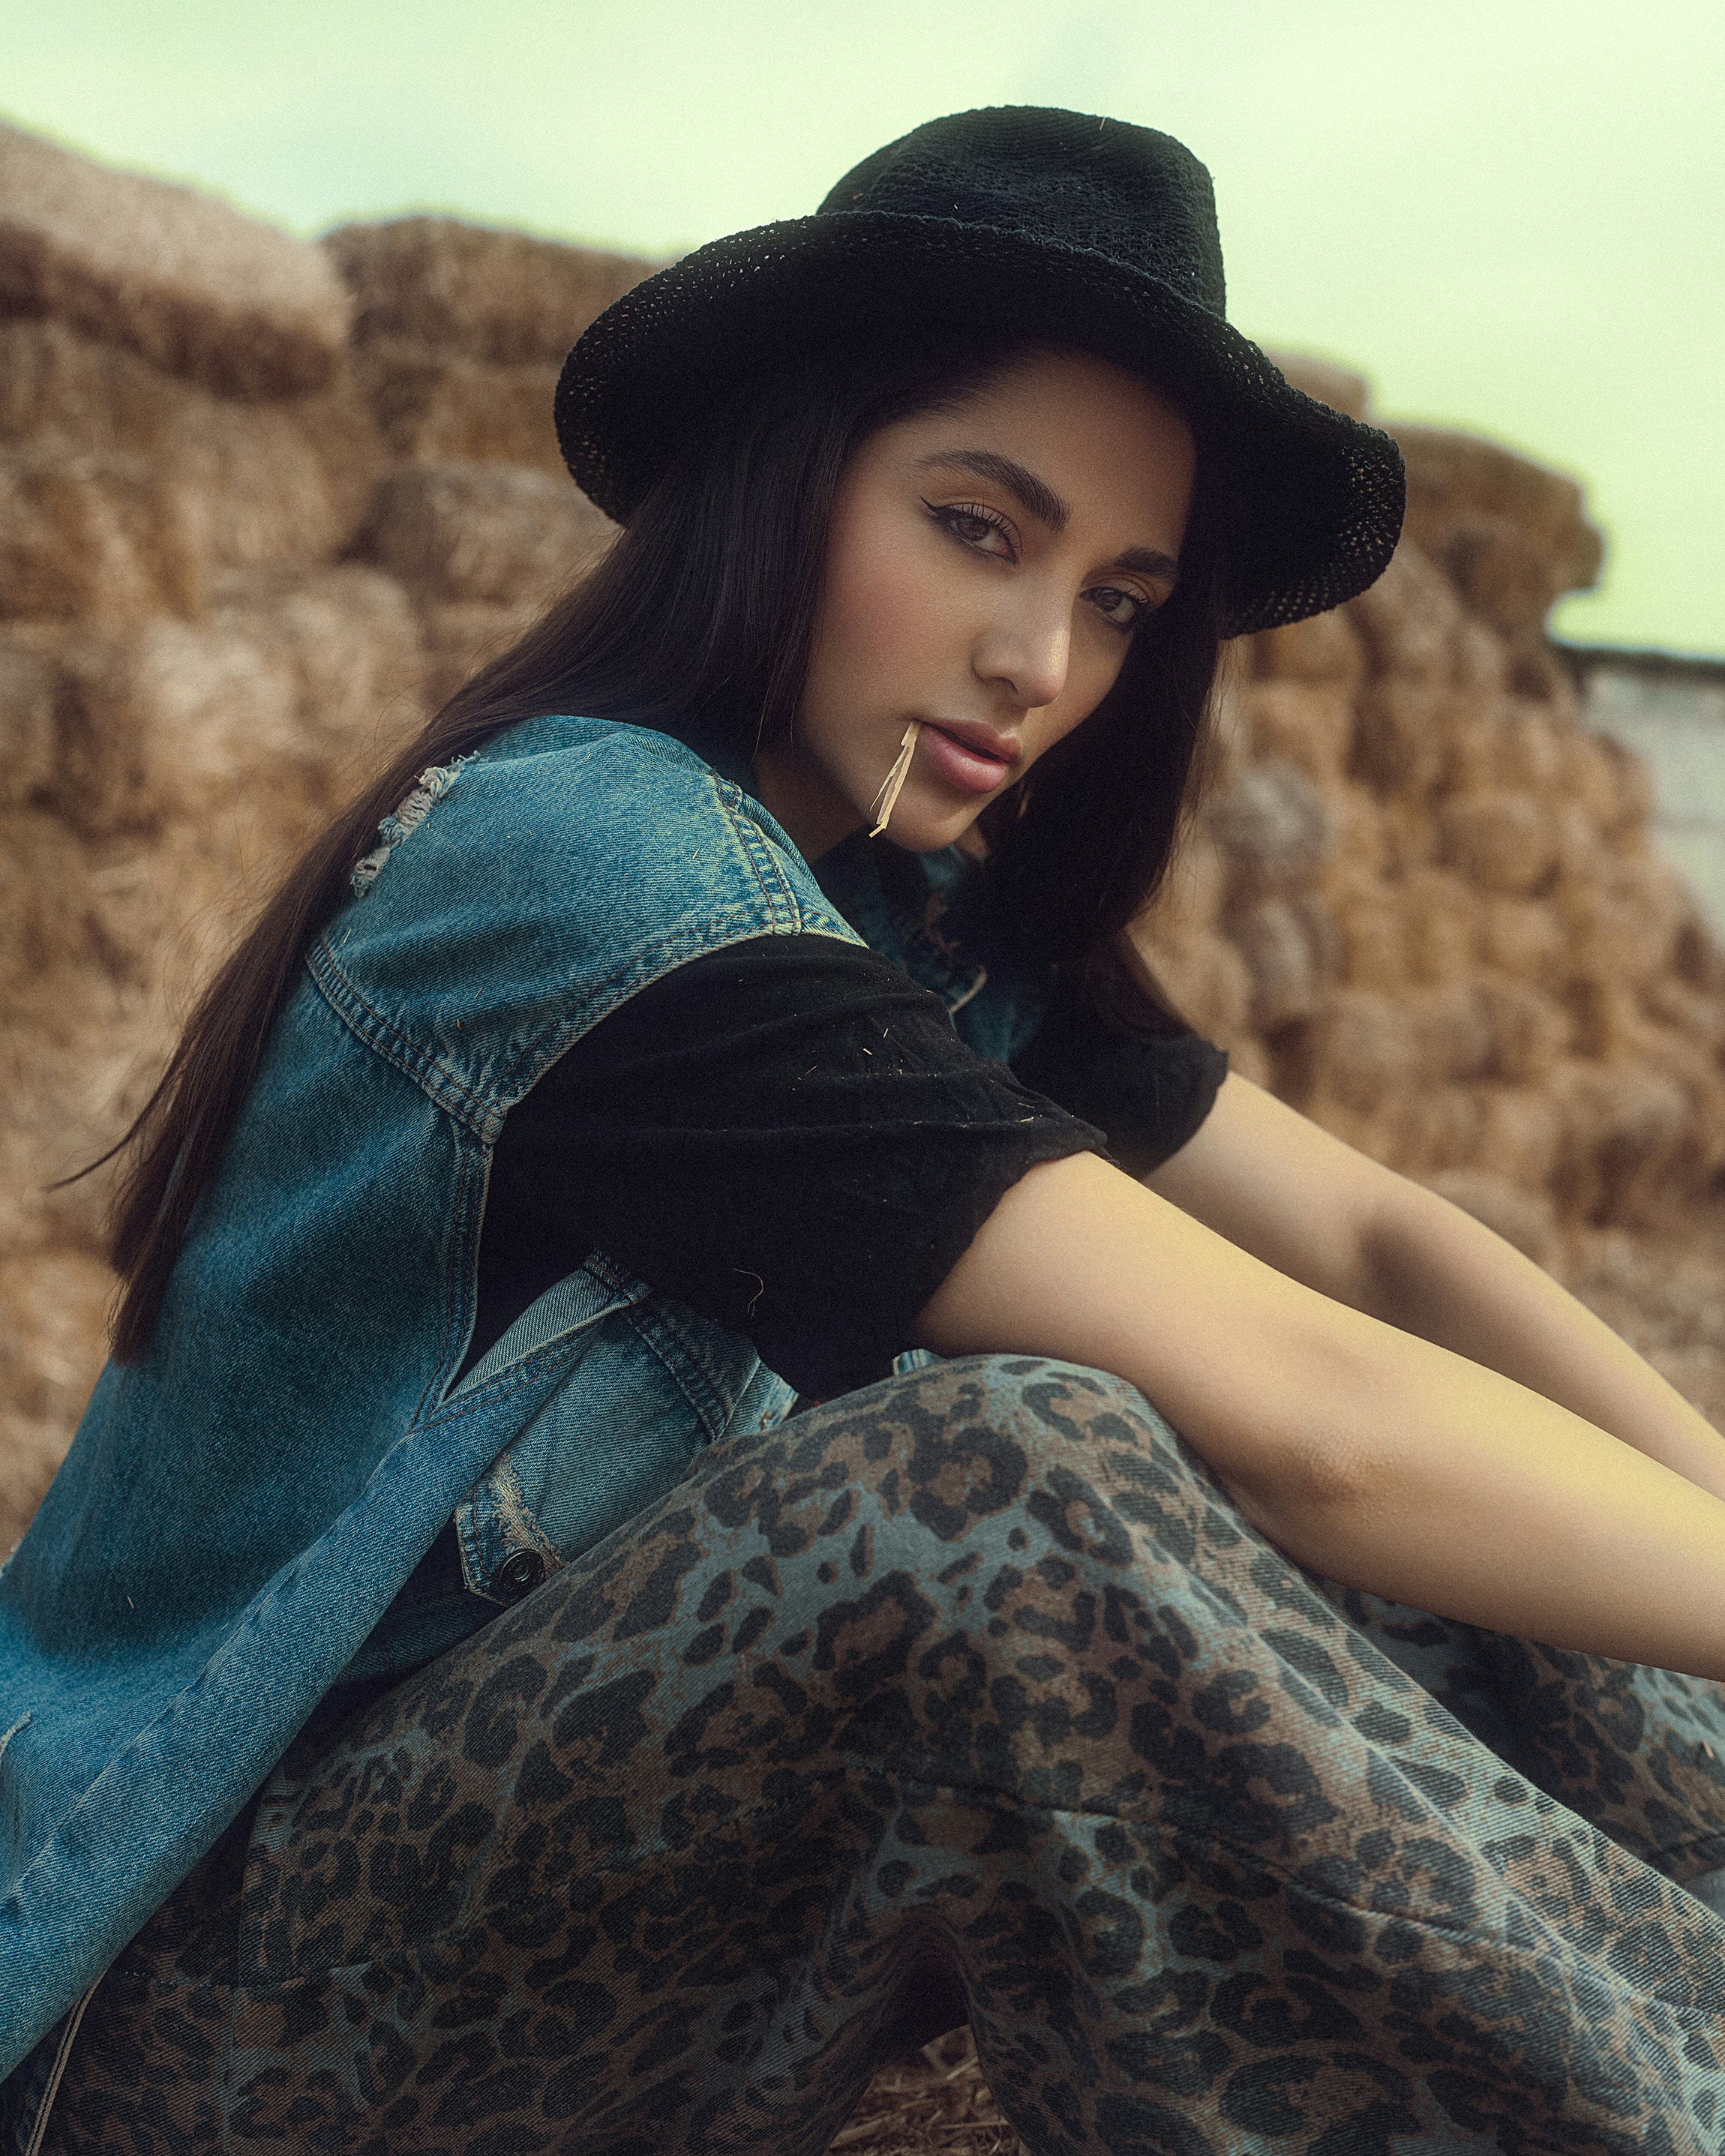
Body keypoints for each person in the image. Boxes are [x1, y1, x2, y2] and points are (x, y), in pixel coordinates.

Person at [4, 105, 1725, 2156]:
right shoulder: (587, 872)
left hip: (540, 1913)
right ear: (787, 472)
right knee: (1018, 1472)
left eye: (1118, 596)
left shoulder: (921, 922)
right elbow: (1308, 1406)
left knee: (1485, 1536)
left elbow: (1373, 1253)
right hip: (185, 1998)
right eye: (976, 529)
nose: (1039, 661)